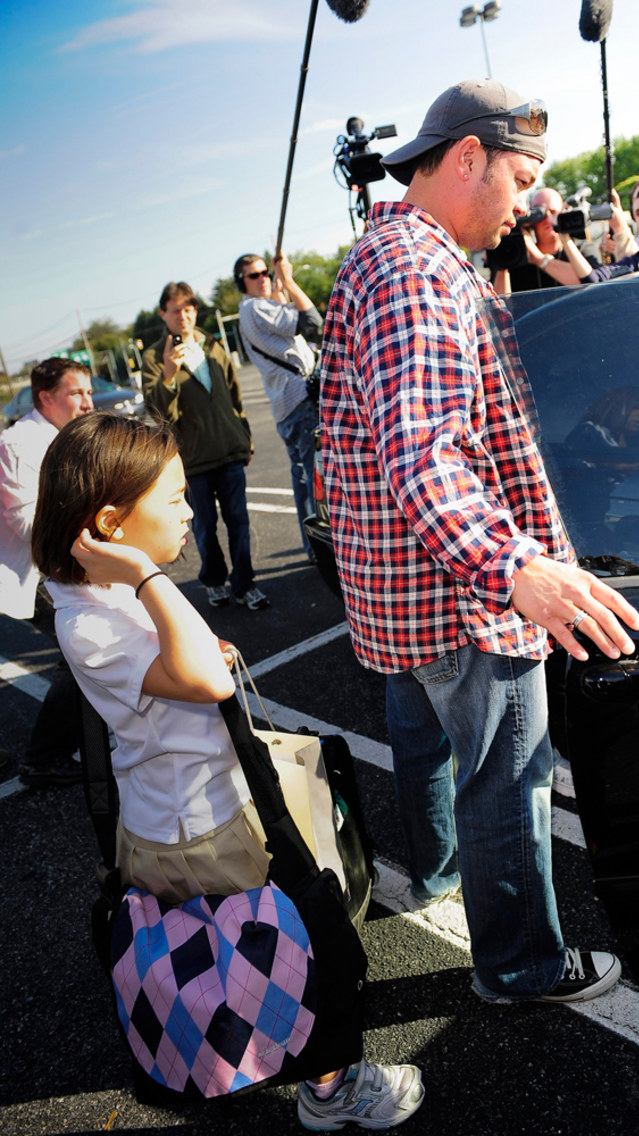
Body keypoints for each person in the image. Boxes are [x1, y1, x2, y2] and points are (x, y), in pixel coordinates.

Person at [320, 77, 639, 1005]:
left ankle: (436, 878)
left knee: (429, 746)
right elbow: (424, 454)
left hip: (404, 595)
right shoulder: (418, 271)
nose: (530, 200)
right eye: (524, 176)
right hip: (459, 594)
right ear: (467, 157)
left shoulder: (401, 253)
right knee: (510, 776)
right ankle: (520, 965)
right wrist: (519, 571)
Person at [30, 412, 424, 1131]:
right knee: (285, 943)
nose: (189, 511)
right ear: (111, 523)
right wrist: (148, 574)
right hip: (200, 826)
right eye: (174, 499)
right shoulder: (89, 619)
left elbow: (182, 662)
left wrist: (154, 594)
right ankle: (330, 1088)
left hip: (187, 812)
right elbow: (204, 681)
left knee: (242, 951)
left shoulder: (101, 595)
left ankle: (291, 1062)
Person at [142, 282, 267, 610]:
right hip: (192, 461)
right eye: (175, 310)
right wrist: (168, 373)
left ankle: (245, 583)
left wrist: (246, 438)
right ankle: (214, 581)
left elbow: (234, 395)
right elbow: (157, 412)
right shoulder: (155, 356)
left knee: (239, 521)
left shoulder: (211, 344)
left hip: (230, 450)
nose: (183, 316)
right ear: (163, 314)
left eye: (188, 308)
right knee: (204, 526)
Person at [0, 357, 94, 787]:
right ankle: (43, 758)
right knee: (82, 651)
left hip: (60, 564)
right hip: (34, 570)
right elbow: (24, 522)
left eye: (89, 392)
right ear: (46, 397)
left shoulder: (65, 435)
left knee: (86, 650)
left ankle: (73, 740)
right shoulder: (20, 443)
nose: (87, 402)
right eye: (77, 393)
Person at [235, 252, 322, 562]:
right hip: (298, 402)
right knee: (317, 480)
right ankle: (323, 548)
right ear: (241, 282)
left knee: (303, 480)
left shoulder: (252, 309)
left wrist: (278, 287)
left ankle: (311, 547)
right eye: (254, 275)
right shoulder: (256, 308)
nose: (263, 278)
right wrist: (288, 279)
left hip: (285, 405)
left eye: (265, 273)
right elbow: (312, 321)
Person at [487, 186, 601, 293]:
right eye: (540, 214)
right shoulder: (516, 255)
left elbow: (590, 284)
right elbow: (499, 306)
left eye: (553, 212)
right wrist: (504, 259)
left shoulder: (583, 249)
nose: (548, 219)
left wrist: (539, 259)